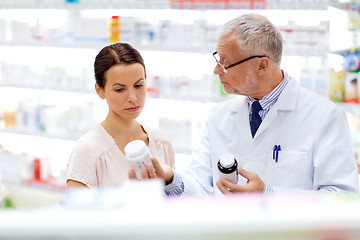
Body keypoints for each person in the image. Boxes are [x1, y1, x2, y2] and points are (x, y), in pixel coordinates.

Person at [129, 13, 359, 195]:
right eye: (217, 59)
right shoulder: (218, 116)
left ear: (261, 65)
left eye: (226, 64)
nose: (216, 71)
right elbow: (201, 186)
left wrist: (269, 195)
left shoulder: (324, 116)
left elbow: (342, 196)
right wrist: (170, 179)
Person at [66, 43, 175, 189]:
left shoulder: (162, 143)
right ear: (100, 91)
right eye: (120, 89)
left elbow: (175, 203)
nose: (133, 98)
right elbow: (76, 210)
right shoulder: (88, 151)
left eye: (138, 86)